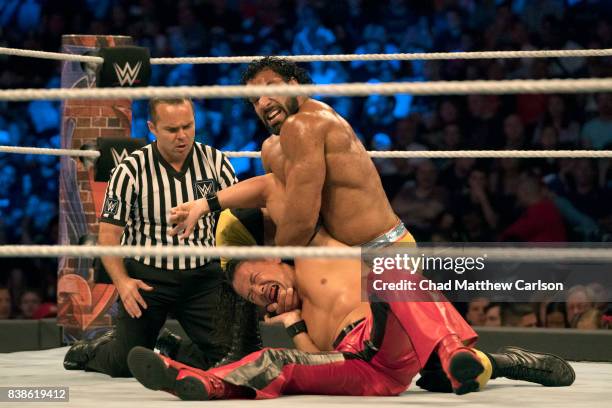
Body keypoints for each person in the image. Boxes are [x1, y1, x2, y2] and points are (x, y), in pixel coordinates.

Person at [127, 208, 575, 401]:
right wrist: (293, 325)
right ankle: (202, 385)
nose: (260, 291)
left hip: (391, 334)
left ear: (274, 257)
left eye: (257, 278)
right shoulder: (296, 319)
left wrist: (213, 205)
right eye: (252, 296)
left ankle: (459, 352)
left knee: (389, 267)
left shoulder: (317, 246)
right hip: (362, 365)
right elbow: (317, 359)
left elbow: (278, 194)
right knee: (271, 360)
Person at [170, 57, 416, 314]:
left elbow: (300, 222)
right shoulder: (271, 148)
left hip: (384, 252)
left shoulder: (306, 124)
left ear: (294, 84)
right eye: (255, 100)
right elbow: (279, 203)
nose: (264, 103)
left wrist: (276, 263)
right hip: (343, 258)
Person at [63, 98, 260, 377]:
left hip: (203, 277)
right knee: (124, 362)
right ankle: (92, 351)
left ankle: (170, 345)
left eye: (188, 126)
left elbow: (239, 215)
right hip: (148, 279)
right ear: (152, 128)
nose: (182, 136)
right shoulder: (130, 170)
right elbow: (108, 235)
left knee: (228, 359)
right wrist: (123, 282)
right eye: (171, 129)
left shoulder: (216, 162)